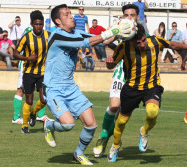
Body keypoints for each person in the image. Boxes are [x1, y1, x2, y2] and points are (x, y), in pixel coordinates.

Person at [42, 4, 134, 165]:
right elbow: (87, 43)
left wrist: (119, 30)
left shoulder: (77, 33)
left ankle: (78, 153)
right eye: (66, 14)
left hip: (70, 87)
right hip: (54, 88)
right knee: (68, 123)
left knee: (91, 124)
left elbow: (100, 41)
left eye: (70, 13)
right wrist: (112, 31)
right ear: (57, 21)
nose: (71, 16)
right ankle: (48, 125)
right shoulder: (57, 36)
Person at [106, 23, 187, 162]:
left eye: (143, 41)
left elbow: (173, 45)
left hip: (151, 86)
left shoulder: (155, 41)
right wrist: (109, 62)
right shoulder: (124, 47)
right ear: (132, 41)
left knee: (152, 113)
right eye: (138, 43)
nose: (141, 44)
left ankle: (144, 132)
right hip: (131, 88)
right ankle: (115, 146)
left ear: (146, 37)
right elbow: (111, 64)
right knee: (121, 121)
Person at [93, 4, 140, 158]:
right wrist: (114, 31)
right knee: (114, 105)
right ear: (122, 17)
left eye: (132, 15)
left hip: (137, 75)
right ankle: (104, 135)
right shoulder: (120, 29)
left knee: (122, 116)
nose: (129, 18)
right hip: (121, 72)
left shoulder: (141, 33)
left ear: (138, 17)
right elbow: (104, 42)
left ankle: (110, 140)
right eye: (126, 15)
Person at [12, 10, 50, 133]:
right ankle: (24, 126)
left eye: (41, 24)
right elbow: (15, 53)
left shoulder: (48, 35)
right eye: (36, 24)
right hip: (28, 72)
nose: (38, 27)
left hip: (43, 72)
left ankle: (34, 113)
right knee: (29, 99)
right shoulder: (26, 37)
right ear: (32, 24)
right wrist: (27, 58)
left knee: (44, 99)